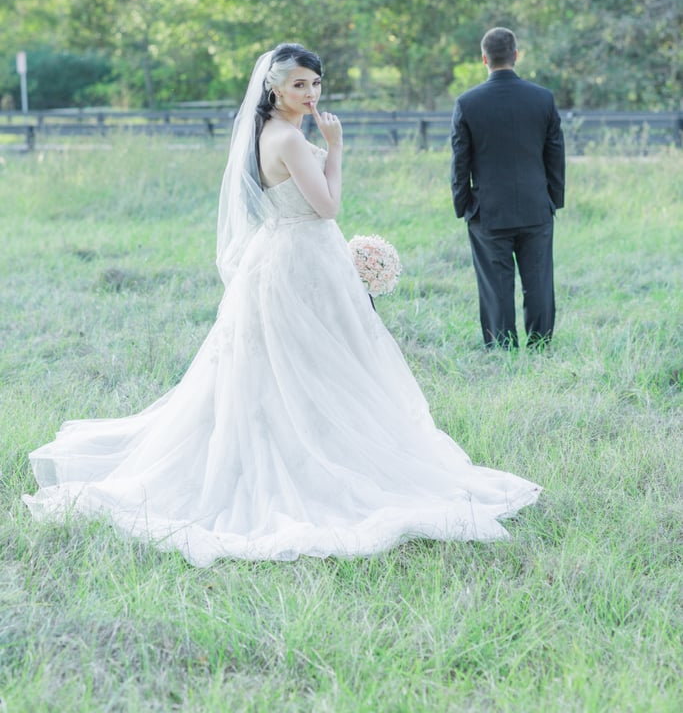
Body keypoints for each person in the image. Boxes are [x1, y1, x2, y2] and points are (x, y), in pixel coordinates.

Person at [24, 43, 541, 565]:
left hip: (278, 257)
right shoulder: (290, 139)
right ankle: (313, 464)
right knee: (314, 366)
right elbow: (327, 207)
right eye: (299, 85)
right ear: (274, 87)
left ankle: (304, 445)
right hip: (302, 260)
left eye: (315, 84)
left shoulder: (260, 131)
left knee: (291, 370)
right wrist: (335, 147)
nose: (310, 94)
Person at [450, 27, 565, 350]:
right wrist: (553, 200)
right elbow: (555, 155)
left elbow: (460, 162)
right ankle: (540, 345)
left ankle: (502, 347)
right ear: (515, 55)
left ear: (484, 59)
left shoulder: (467, 103)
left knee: (495, 284)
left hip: (488, 210)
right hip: (535, 207)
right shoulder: (543, 98)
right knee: (539, 281)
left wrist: (464, 206)